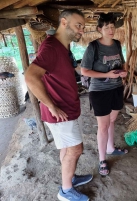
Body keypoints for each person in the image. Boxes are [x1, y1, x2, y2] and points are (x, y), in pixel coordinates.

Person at [25, 9, 92, 201]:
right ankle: (65, 191)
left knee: (66, 148)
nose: (82, 30)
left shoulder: (61, 47)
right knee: (75, 150)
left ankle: (69, 179)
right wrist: (51, 106)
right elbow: (30, 77)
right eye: (78, 25)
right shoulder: (52, 48)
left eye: (83, 27)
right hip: (60, 112)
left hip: (68, 108)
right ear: (64, 22)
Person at [80, 13, 128, 176]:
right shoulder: (93, 47)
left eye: (113, 26)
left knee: (112, 120)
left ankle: (111, 147)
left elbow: (121, 63)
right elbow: (84, 70)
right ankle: (102, 159)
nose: (111, 30)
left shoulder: (117, 43)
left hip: (116, 88)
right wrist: (108, 75)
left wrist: (123, 72)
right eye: (107, 27)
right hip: (99, 91)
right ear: (99, 29)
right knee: (103, 126)